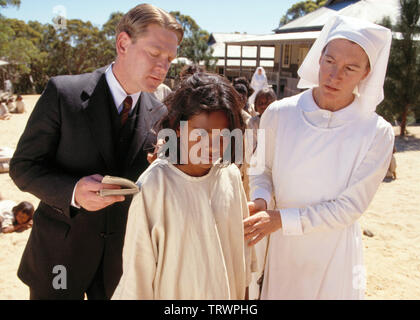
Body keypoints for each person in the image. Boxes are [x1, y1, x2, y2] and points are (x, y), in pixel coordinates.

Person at [9, 4, 183, 300]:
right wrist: (73, 191)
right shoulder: (63, 93)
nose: (162, 67)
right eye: (154, 54)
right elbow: (23, 166)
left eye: (169, 58)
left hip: (122, 265)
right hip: (59, 261)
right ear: (123, 43)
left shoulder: (161, 113)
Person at [244, 15, 394, 299]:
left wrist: (281, 219)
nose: (334, 75)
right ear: (319, 57)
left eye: (350, 68)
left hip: (334, 251)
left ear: (366, 73)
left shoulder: (377, 131)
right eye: (329, 61)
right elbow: (261, 169)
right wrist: (262, 199)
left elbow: (350, 207)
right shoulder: (278, 113)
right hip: (283, 247)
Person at [112, 72, 255, 300]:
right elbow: (137, 275)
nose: (212, 146)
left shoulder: (230, 176)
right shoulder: (155, 186)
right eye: (201, 134)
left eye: (223, 135)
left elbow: (242, 257)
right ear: (178, 128)